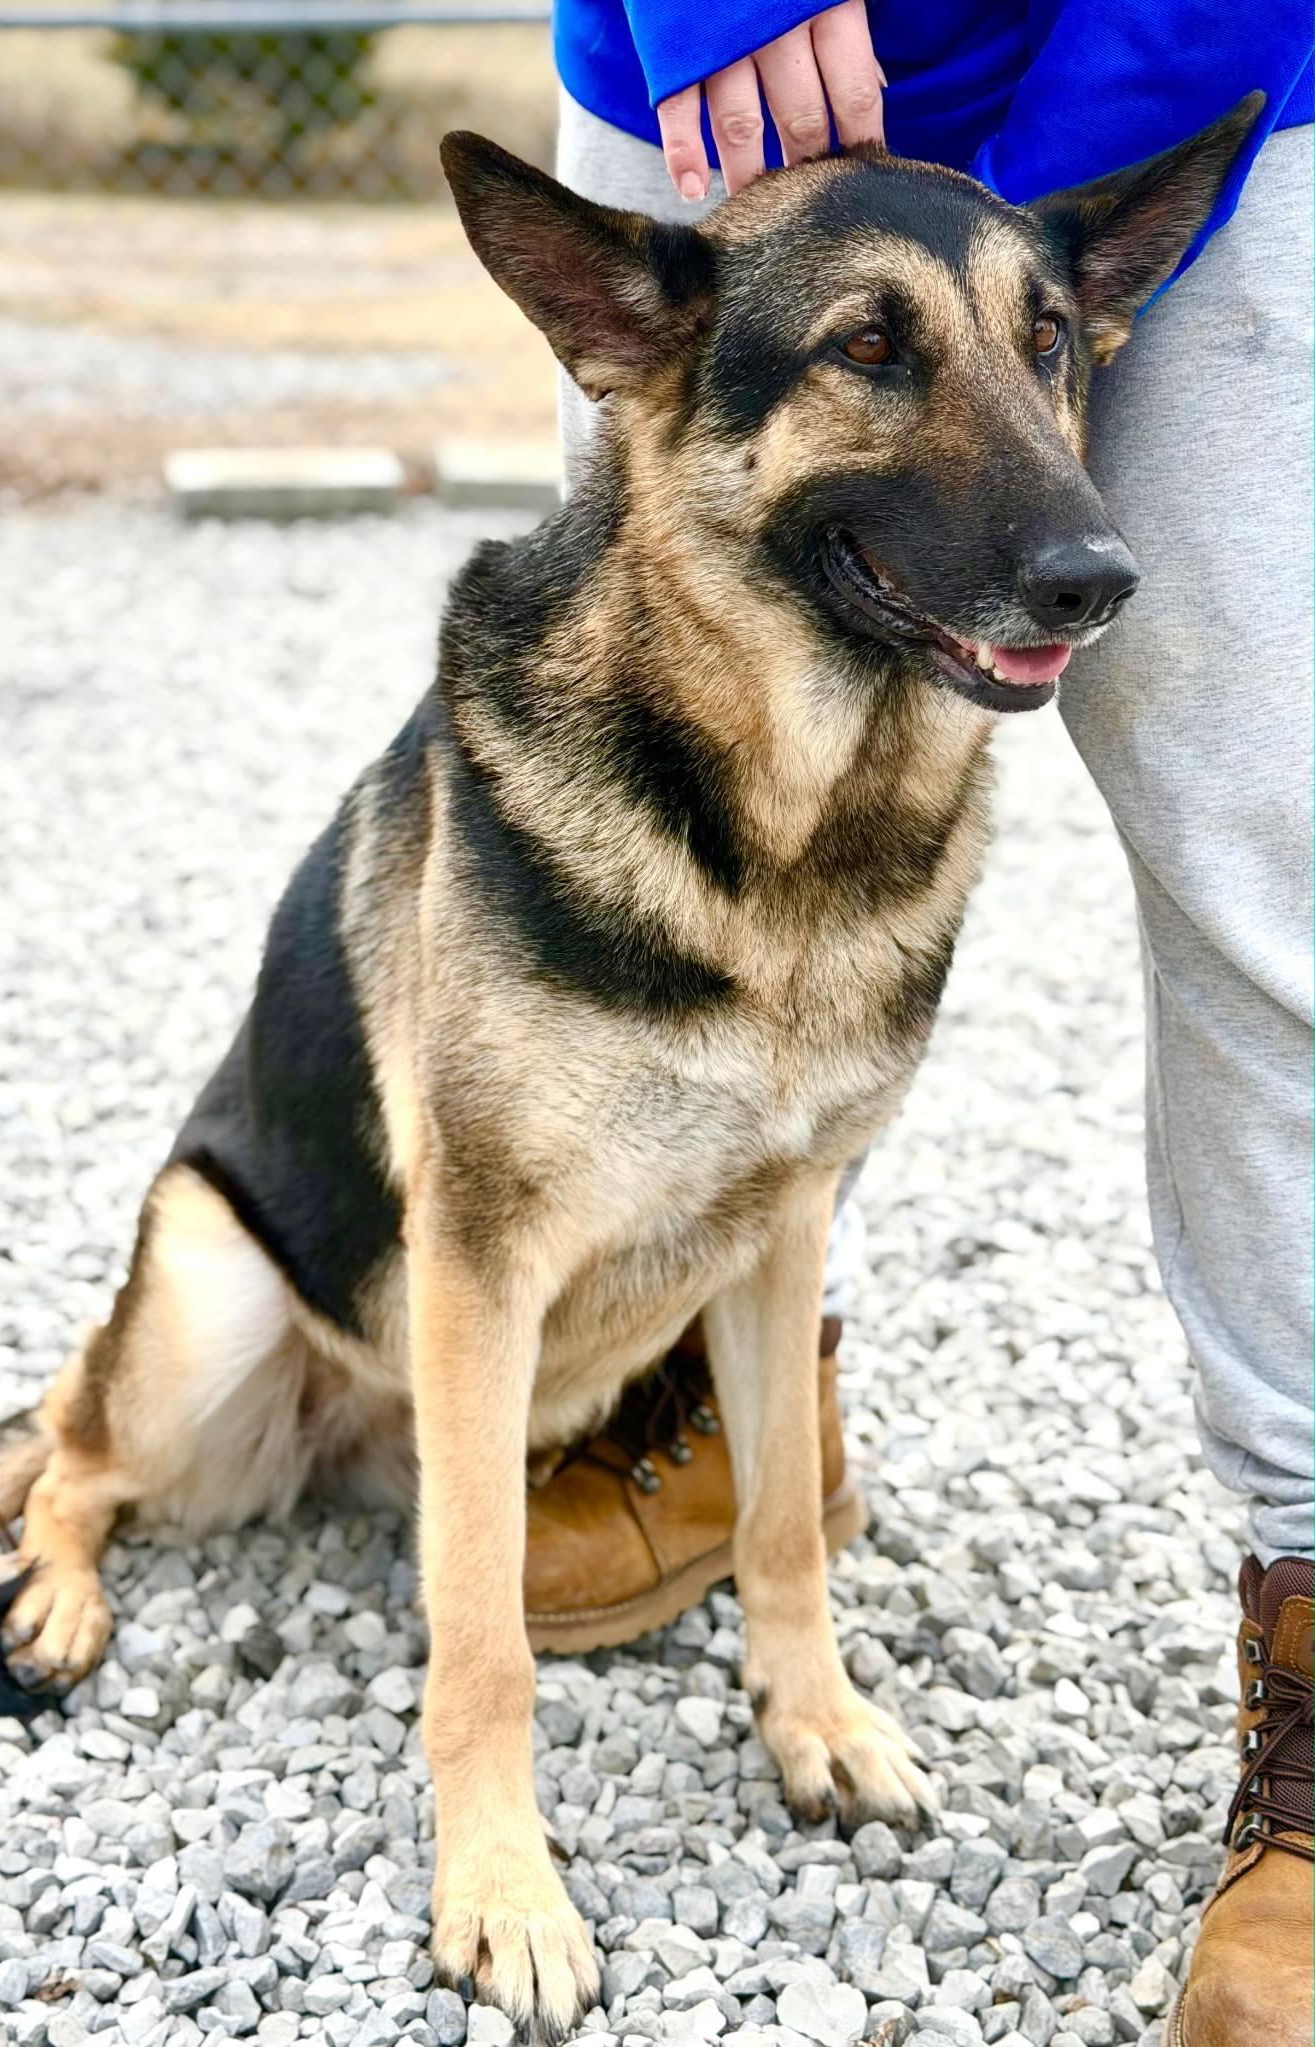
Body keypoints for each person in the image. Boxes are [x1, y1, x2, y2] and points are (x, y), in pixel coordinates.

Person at [521, 6, 1314, 2041]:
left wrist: (990, 255)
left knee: (1281, 889)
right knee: (664, 821)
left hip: (1181, 74)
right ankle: (719, 1405)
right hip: (715, 86)